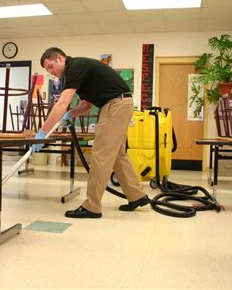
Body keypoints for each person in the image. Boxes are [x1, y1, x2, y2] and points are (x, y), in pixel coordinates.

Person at [33, 47, 149, 219]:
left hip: (114, 105)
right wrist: (70, 114)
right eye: (47, 70)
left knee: (100, 154)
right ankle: (137, 196)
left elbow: (63, 101)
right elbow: (86, 105)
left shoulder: (75, 67)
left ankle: (92, 206)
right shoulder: (78, 71)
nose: (51, 72)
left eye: (50, 66)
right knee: (117, 154)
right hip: (121, 103)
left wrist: (42, 132)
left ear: (59, 58)